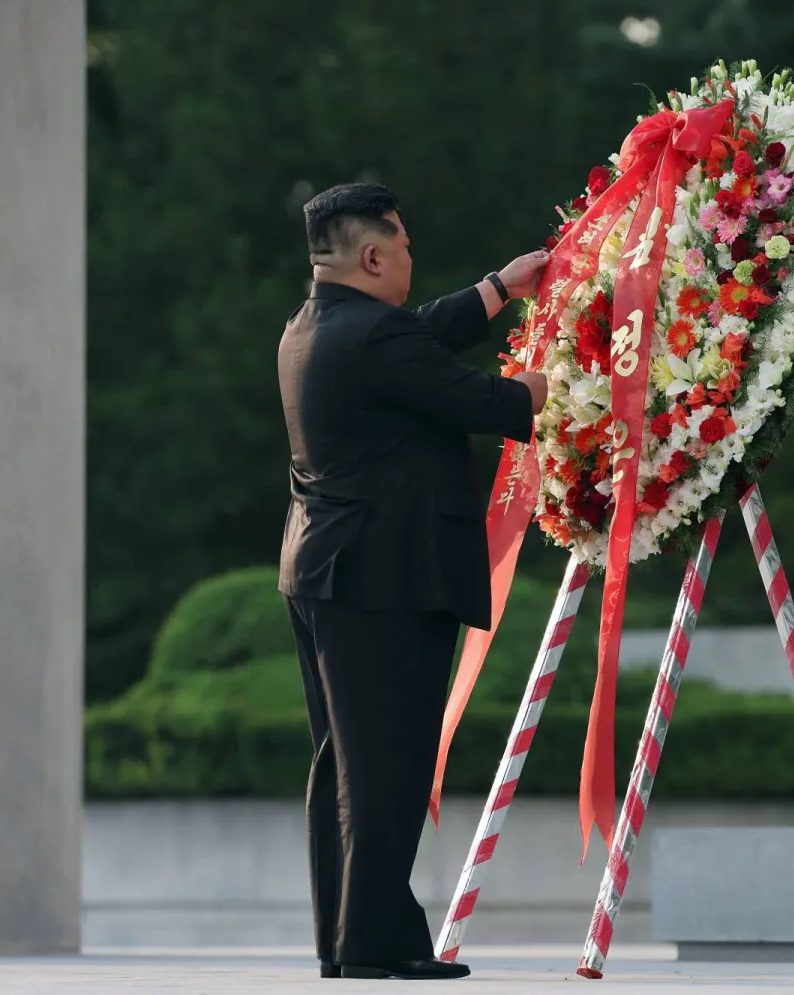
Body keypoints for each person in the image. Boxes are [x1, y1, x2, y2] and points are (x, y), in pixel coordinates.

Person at [277, 182, 549, 981]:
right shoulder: (375, 340)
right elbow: (488, 402)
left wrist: (499, 289)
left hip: (331, 570)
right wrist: (560, 371)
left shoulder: (315, 323)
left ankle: (356, 937)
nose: (408, 259)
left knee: (350, 763)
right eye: (402, 247)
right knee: (383, 765)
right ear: (372, 255)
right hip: (379, 581)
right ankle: (372, 945)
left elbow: (419, 334)